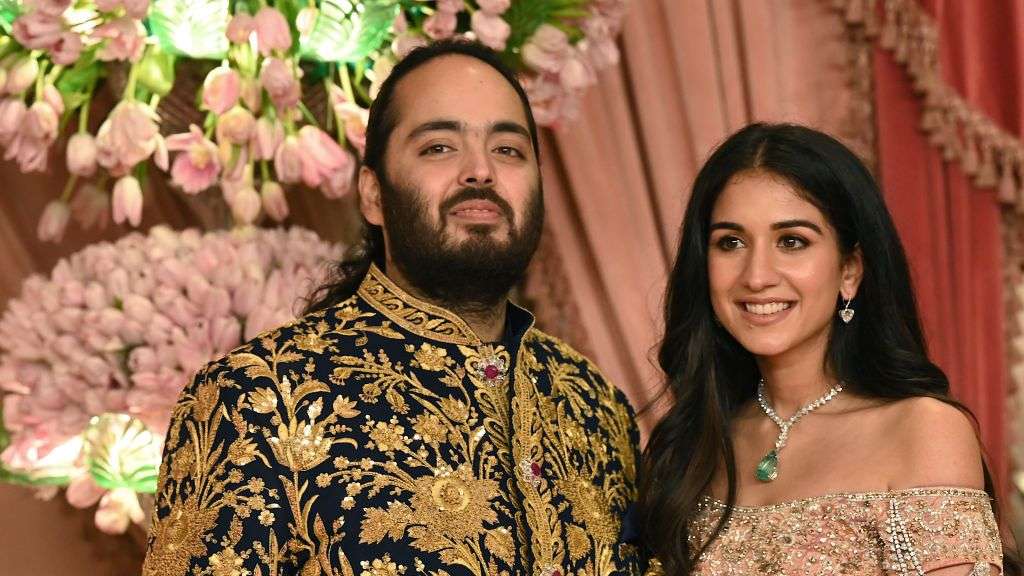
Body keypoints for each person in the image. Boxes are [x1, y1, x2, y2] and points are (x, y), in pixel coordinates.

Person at [142, 40, 645, 576]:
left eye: (508, 150)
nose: (480, 171)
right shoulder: (256, 398)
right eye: (439, 147)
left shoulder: (593, 403)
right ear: (373, 194)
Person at [636, 123, 1020, 575]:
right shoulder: (694, 446)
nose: (756, 275)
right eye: (731, 242)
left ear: (850, 271)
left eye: (792, 241)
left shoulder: (922, 429)